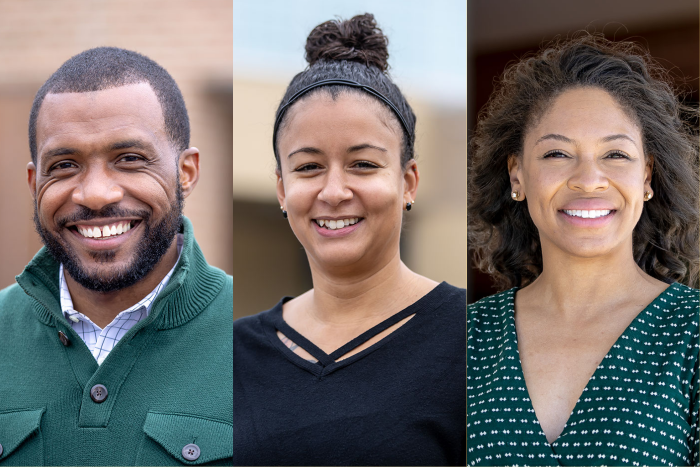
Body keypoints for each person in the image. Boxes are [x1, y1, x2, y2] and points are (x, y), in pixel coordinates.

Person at [232, 14, 466, 466]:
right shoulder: (233, 355)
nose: (334, 191)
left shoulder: (474, 341)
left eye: (363, 164)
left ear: (408, 182)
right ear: (282, 190)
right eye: (308, 167)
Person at [467, 35, 699, 466]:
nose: (589, 180)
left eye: (615, 154)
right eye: (557, 153)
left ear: (646, 177)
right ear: (517, 175)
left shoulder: (693, 333)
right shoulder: (464, 337)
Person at [0, 48, 233, 465]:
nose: (95, 194)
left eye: (129, 159)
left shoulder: (260, 343)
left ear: (187, 172)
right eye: (65, 164)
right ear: (35, 182)